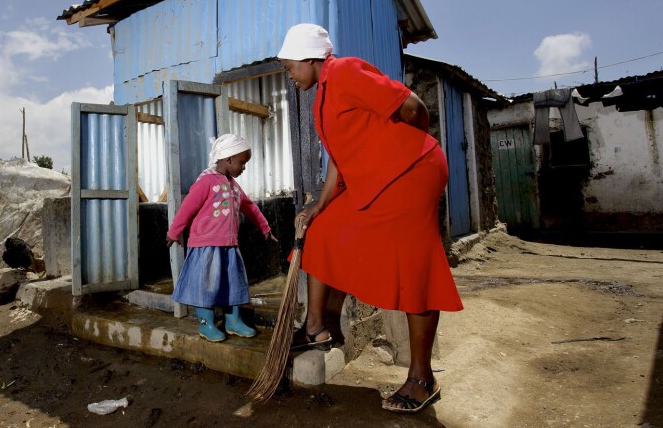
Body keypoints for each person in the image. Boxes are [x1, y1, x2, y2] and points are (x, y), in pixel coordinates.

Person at [278, 23, 463, 414]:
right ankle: (316, 328)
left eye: (291, 66)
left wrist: (404, 150)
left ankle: (421, 379)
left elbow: (413, 107)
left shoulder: (344, 71)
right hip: (380, 181)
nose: (290, 75)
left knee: (414, 267)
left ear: (311, 57)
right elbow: (338, 162)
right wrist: (318, 205)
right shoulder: (320, 100)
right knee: (323, 229)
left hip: (413, 171)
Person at [166, 133, 278, 342]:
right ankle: (206, 324)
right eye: (242, 163)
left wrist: (265, 228)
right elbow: (187, 208)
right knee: (205, 284)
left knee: (233, 282)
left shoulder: (234, 186)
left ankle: (233, 321)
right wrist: (174, 232)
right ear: (228, 159)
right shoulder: (206, 181)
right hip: (206, 246)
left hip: (229, 245)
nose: (243, 168)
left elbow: (250, 207)